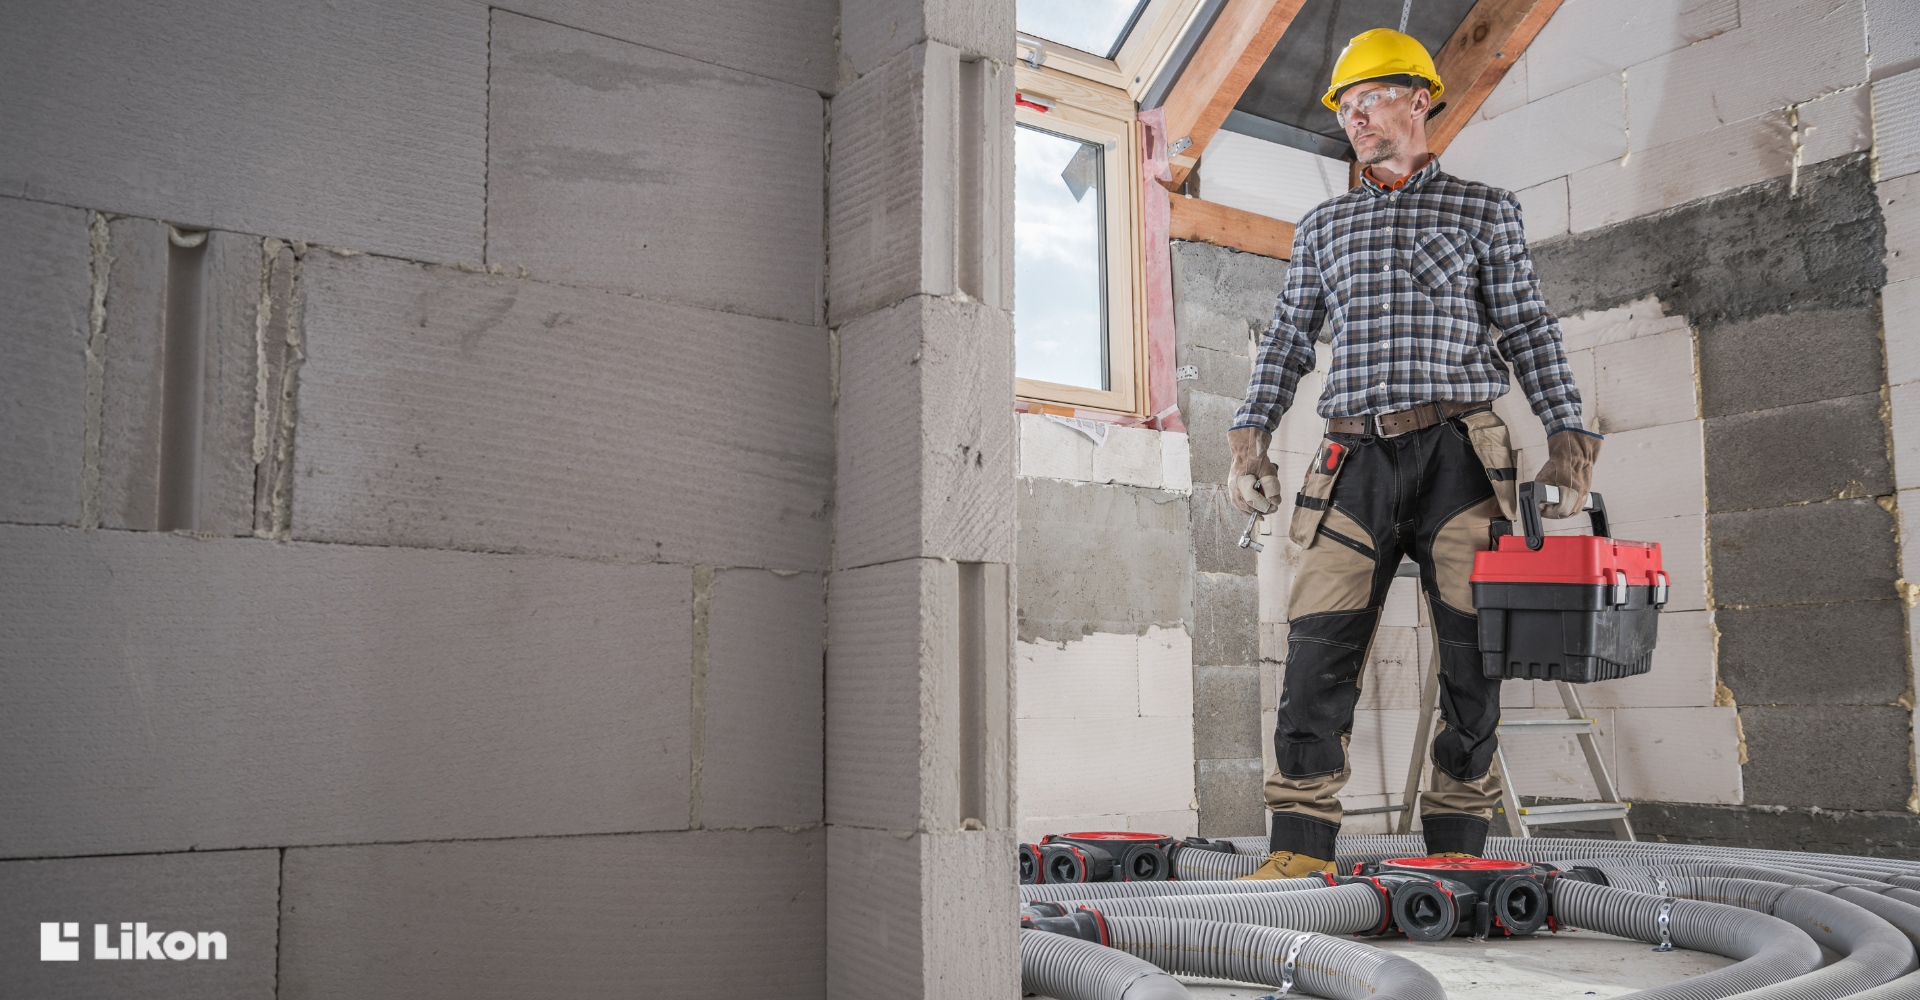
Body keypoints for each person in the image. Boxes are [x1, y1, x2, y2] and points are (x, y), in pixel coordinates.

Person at [1226, 28, 1602, 877]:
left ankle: (1458, 848)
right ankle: (1299, 848)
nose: (1355, 117)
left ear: (1420, 97)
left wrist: (1570, 441)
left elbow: (1529, 329)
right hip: (1352, 458)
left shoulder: (1483, 209)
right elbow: (1287, 338)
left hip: (1462, 452)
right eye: (1345, 107)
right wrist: (1250, 441)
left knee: (1475, 652)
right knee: (1318, 645)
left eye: (1370, 98)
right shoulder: (1323, 226)